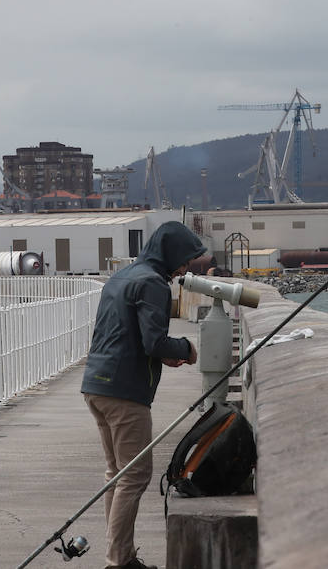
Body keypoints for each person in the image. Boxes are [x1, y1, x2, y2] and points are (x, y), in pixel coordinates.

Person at [80, 221, 209, 569]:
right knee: (134, 476)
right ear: (170, 256)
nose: (186, 268)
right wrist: (186, 347)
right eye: (184, 260)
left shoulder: (122, 277)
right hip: (125, 392)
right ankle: (118, 561)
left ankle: (118, 555)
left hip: (96, 384)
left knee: (117, 474)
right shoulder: (153, 284)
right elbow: (154, 342)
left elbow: (129, 336)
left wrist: (163, 353)